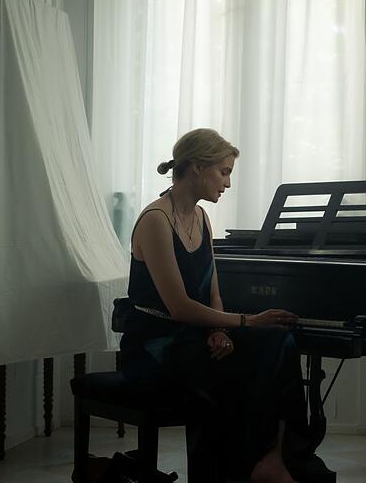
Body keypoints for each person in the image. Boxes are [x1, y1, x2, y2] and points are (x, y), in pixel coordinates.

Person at [120, 128, 305, 483]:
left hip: (192, 336)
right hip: (155, 345)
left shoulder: (202, 218)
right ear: (196, 167)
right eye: (224, 172)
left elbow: (212, 292)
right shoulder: (155, 220)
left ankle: (275, 457)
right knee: (237, 369)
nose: (228, 183)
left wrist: (219, 330)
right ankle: (235, 470)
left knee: (278, 340)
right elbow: (178, 307)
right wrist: (246, 322)